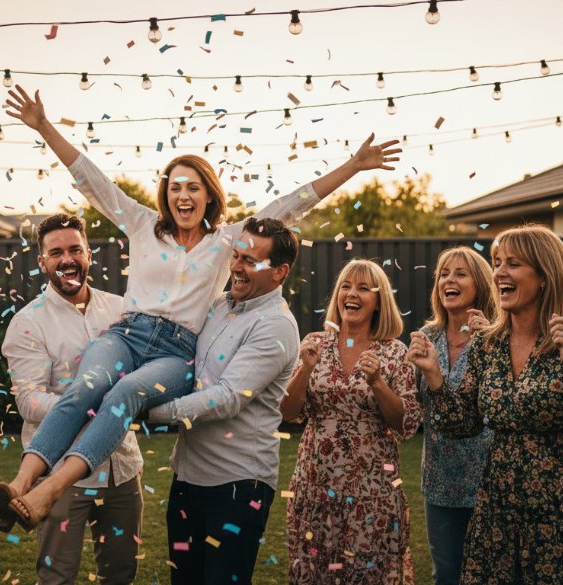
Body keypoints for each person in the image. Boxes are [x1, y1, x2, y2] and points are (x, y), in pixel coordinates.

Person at [0, 85, 401, 532]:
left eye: (193, 187)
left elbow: (294, 203)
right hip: (126, 335)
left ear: (208, 195)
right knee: (83, 388)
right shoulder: (143, 224)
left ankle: (50, 491)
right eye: (174, 187)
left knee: (123, 396)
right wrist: (44, 126)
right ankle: (20, 483)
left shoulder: (228, 241)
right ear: (166, 194)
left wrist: (354, 166)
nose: (183, 195)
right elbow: (93, 181)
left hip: (175, 351)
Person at [414, 225, 563, 584]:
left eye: (513, 263)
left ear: (545, 275)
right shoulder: (488, 343)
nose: (499, 272)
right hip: (497, 511)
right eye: (497, 262)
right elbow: (462, 424)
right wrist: (435, 379)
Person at [145, 217, 302, 585]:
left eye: (250, 261)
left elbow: (229, 397)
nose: (236, 267)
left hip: (237, 489)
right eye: (236, 255)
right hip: (186, 480)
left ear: (280, 272)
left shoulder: (276, 325)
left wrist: (149, 412)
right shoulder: (217, 306)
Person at [0, 214, 143, 584]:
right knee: (57, 576)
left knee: (122, 573)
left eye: (75, 249)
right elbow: (29, 400)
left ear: (89, 255)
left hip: (122, 469)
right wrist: (92, 411)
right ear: (42, 261)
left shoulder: (121, 309)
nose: (67, 259)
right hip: (59, 472)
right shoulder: (27, 322)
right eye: (56, 252)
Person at [280, 259, 420, 584]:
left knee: (369, 574)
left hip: (372, 492)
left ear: (379, 300)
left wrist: (378, 383)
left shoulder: (394, 353)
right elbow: (287, 412)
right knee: (316, 573)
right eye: (346, 286)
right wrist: (305, 369)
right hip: (315, 486)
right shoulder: (315, 343)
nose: (351, 294)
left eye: (362, 288)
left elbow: (405, 423)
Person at [408, 246, 498, 585]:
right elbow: (414, 402)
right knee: (446, 573)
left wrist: (488, 341)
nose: (449, 279)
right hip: (441, 478)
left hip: (490, 478)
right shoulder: (426, 336)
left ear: (480, 284)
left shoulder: (497, 336)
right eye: (444, 274)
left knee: (492, 573)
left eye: (460, 273)